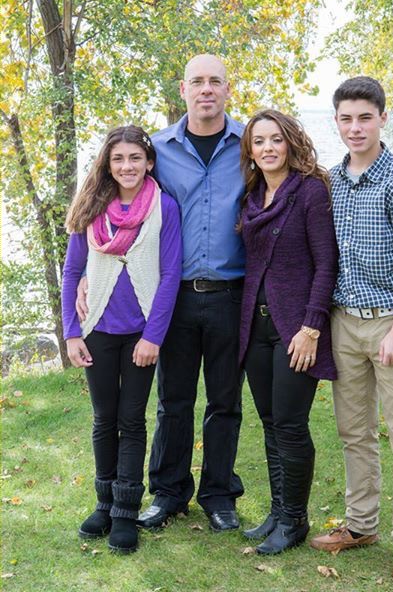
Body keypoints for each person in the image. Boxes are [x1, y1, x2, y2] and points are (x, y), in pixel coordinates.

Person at [75, 55, 246, 531]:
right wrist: (94, 267)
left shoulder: (249, 142)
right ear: (183, 89)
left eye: (215, 81)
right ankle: (168, 493)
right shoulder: (161, 149)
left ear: (227, 89)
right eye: (197, 82)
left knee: (225, 400)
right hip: (173, 297)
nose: (206, 89)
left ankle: (218, 494)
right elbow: (121, 205)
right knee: (174, 398)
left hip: (232, 290)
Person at [309, 77, 393, 587]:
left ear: (383, 117)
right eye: (346, 118)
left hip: (391, 321)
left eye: (365, 117)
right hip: (344, 322)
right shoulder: (332, 181)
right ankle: (361, 525)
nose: (355, 127)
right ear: (336, 122)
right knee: (354, 433)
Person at [62, 125, 182, 553]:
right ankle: (104, 502)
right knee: (103, 419)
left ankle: (126, 511)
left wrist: (154, 336)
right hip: (97, 330)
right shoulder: (92, 207)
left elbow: (170, 275)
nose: (127, 166)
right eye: (118, 159)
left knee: (132, 420)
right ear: (107, 164)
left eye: (135, 158)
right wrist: (72, 333)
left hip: (140, 332)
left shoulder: (164, 208)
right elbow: (73, 271)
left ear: (149, 162)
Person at [238, 109, 338, 554]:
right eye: (259, 141)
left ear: (291, 142)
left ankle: (296, 520)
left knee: (291, 425)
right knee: (269, 422)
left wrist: (312, 327)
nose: (268, 148)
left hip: (296, 327)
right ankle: (279, 511)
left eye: (276, 139)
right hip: (255, 325)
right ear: (250, 151)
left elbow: (326, 263)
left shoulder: (310, 191)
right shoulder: (252, 196)